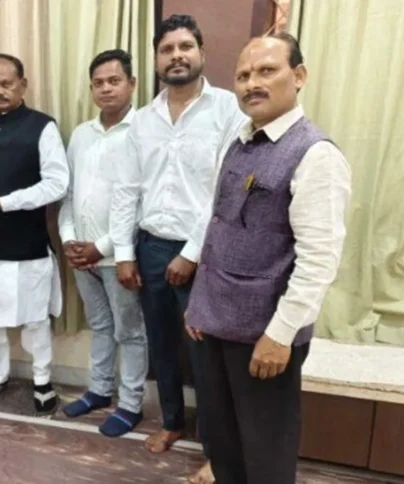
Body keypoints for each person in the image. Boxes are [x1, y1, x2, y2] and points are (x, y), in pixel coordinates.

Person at [185, 33, 351, 483]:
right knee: (222, 443)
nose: (251, 83)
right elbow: (218, 227)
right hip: (215, 324)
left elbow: (319, 259)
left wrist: (281, 335)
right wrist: (199, 305)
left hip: (265, 335)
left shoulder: (315, 154)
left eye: (266, 71)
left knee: (266, 453)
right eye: (242, 76)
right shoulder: (239, 142)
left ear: (298, 76)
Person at [109, 13, 246, 481]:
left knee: (207, 355)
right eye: (167, 49)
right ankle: (171, 421)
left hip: (205, 254)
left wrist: (191, 253)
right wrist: (124, 254)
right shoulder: (143, 120)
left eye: (185, 46)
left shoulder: (227, 110)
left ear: (202, 53)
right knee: (161, 344)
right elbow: (126, 190)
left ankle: (215, 448)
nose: (176, 56)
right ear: (156, 60)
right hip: (150, 247)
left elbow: (227, 190)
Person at [0, 53, 69, 415]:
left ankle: (42, 380)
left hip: (26, 244)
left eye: (6, 84)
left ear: (23, 85)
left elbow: (57, 184)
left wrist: (4, 203)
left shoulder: (43, 126)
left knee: (35, 318)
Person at [58, 49, 147, 437]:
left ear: (132, 84)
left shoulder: (144, 131)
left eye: (114, 81)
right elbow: (68, 194)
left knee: (130, 331)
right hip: (81, 254)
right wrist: (69, 240)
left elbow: (144, 203)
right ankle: (99, 390)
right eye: (98, 83)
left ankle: (130, 404)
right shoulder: (81, 134)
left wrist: (103, 247)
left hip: (119, 256)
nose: (106, 89)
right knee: (99, 324)